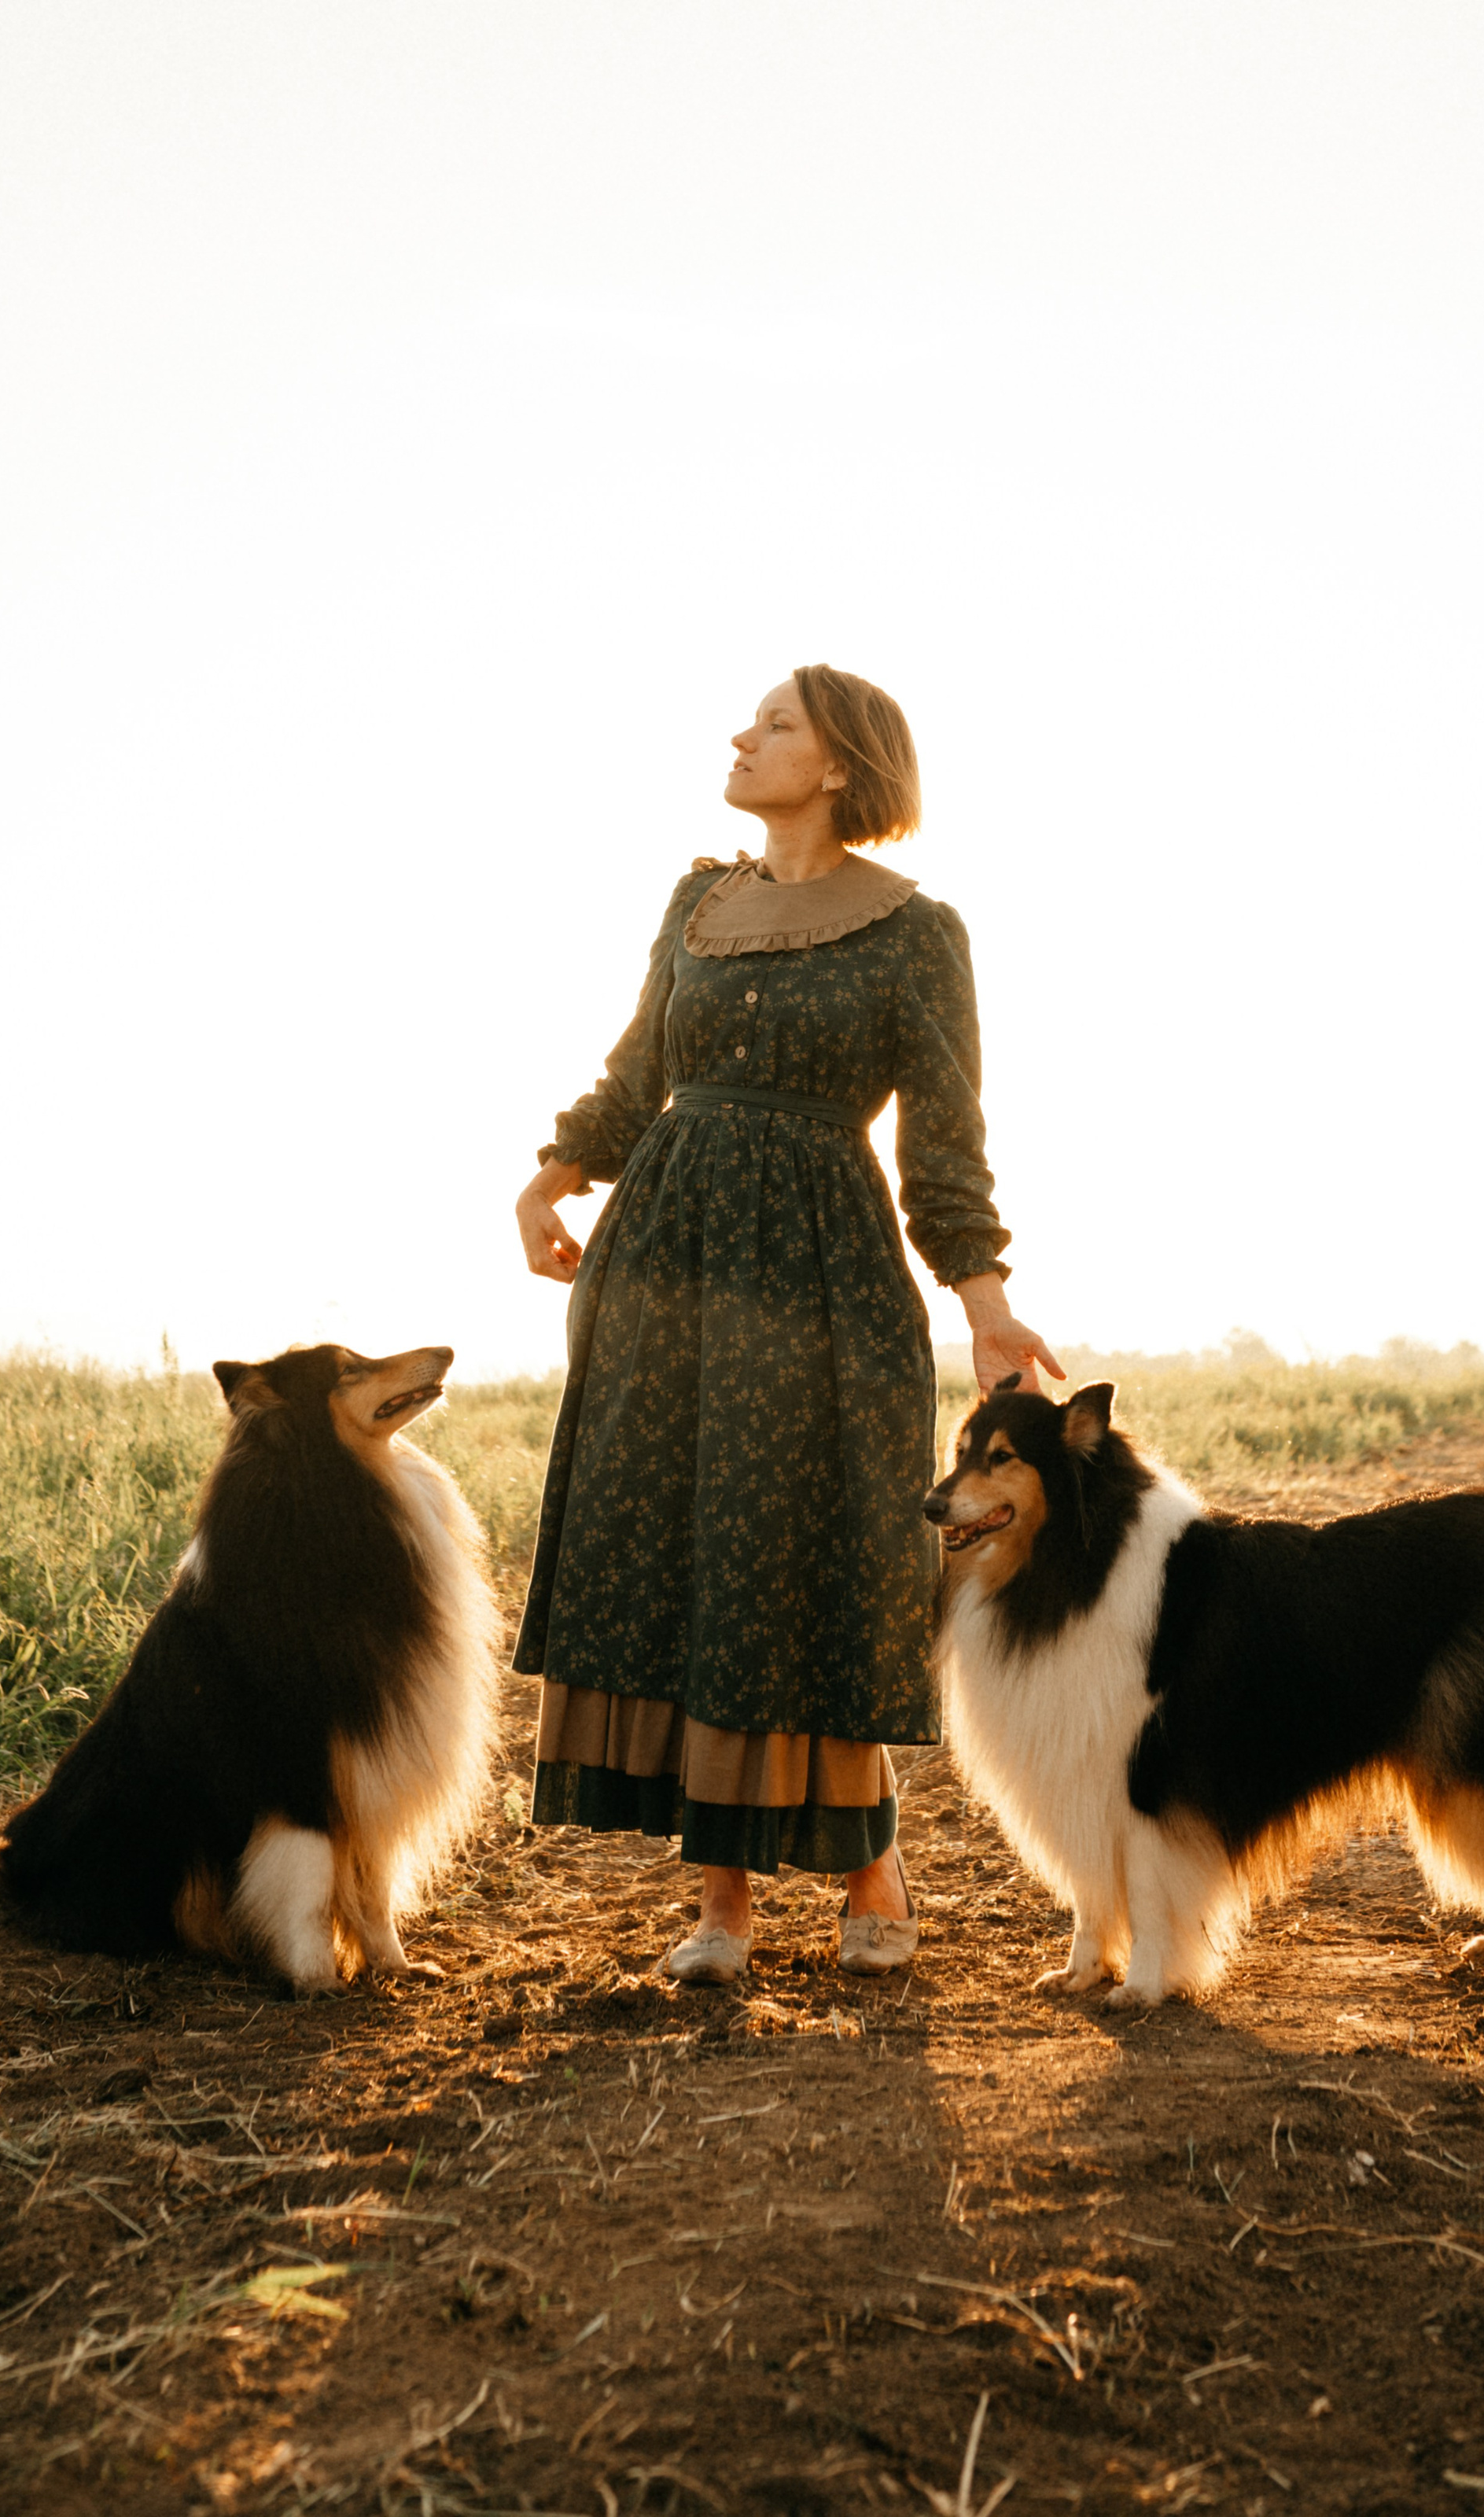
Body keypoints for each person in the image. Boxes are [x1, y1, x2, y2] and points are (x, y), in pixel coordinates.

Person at [512, 665, 1059, 1983]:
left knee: (812, 1561)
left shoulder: (916, 932)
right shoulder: (697, 903)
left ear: (839, 764)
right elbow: (640, 1073)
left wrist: (984, 1303)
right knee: (687, 1559)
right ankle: (722, 1908)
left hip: (821, 1273)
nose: (742, 736)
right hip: (666, 1266)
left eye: (775, 724)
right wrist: (550, 1178)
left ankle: (873, 1870)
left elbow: (945, 1138)